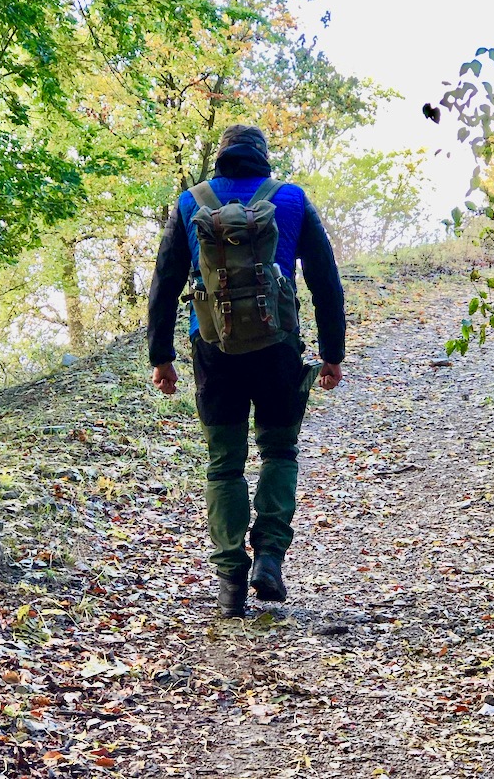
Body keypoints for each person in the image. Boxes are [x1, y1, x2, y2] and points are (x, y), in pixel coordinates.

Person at [147, 125, 345, 618]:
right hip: (278, 347)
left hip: (213, 350)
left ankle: (230, 581)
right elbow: (326, 282)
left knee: (224, 464)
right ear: (262, 159)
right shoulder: (292, 200)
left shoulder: (191, 202)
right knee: (279, 450)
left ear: (221, 158)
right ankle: (270, 559)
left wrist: (161, 357)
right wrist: (332, 353)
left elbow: (164, 281)